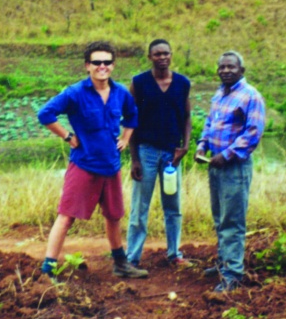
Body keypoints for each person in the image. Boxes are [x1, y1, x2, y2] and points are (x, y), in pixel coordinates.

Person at [37, 41, 148, 280]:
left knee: (114, 216)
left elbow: (132, 115)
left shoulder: (120, 93)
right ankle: (48, 269)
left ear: (113, 65)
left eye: (107, 62)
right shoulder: (75, 93)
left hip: (111, 165)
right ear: (88, 65)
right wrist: (67, 136)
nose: (102, 66)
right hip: (84, 163)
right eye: (97, 62)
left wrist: (126, 138)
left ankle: (120, 263)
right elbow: (45, 114)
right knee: (66, 216)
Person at [196, 51, 266, 293]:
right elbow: (209, 123)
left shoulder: (250, 96)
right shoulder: (219, 94)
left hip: (234, 166)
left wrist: (225, 155)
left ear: (241, 70)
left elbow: (253, 133)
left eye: (231, 67)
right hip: (215, 165)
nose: (225, 70)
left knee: (232, 221)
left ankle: (233, 274)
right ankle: (222, 263)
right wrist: (202, 146)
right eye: (222, 67)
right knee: (219, 218)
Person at [126, 39, 193, 269]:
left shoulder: (182, 83)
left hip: (172, 154)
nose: (162, 57)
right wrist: (134, 158)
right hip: (146, 151)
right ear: (150, 57)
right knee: (139, 207)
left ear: (172, 55)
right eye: (157, 54)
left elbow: (186, 117)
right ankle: (132, 258)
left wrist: (185, 146)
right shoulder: (139, 83)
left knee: (173, 207)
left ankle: (174, 253)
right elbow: (131, 121)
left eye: (166, 53)